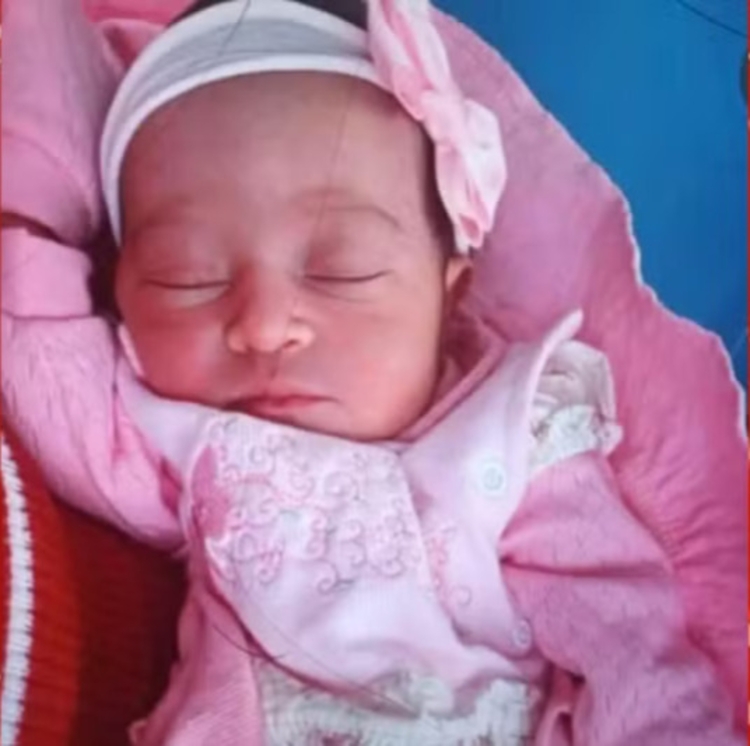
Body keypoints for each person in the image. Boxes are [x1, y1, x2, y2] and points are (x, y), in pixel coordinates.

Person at [2, 0, 742, 743]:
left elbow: (632, 646)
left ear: (451, 297)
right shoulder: (174, 437)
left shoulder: (517, 434)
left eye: (341, 269)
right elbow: (39, 363)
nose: (263, 325)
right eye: (187, 276)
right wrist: (33, 208)